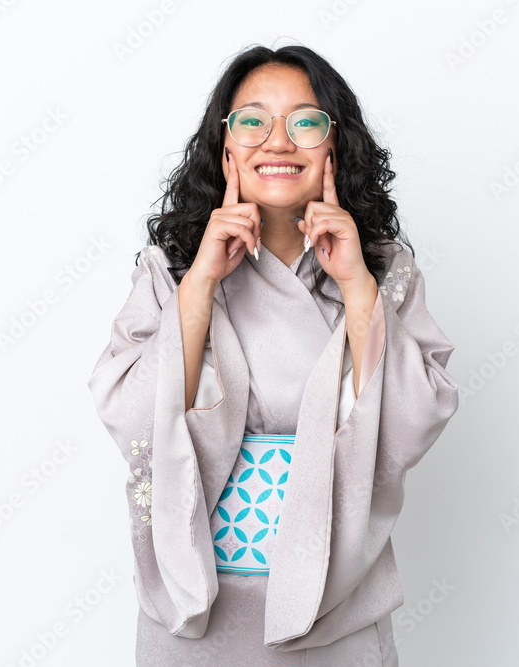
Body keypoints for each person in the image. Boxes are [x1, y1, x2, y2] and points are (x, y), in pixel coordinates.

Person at [87, 42, 459, 666]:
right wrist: (201, 282)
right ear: (225, 145)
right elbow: (128, 414)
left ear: (334, 146)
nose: (278, 141)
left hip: (335, 608)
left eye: (305, 122)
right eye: (253, 120)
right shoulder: (172, 269)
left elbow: (414, 419)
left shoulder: (383, 272)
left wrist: (358, 290)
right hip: (199, 611)